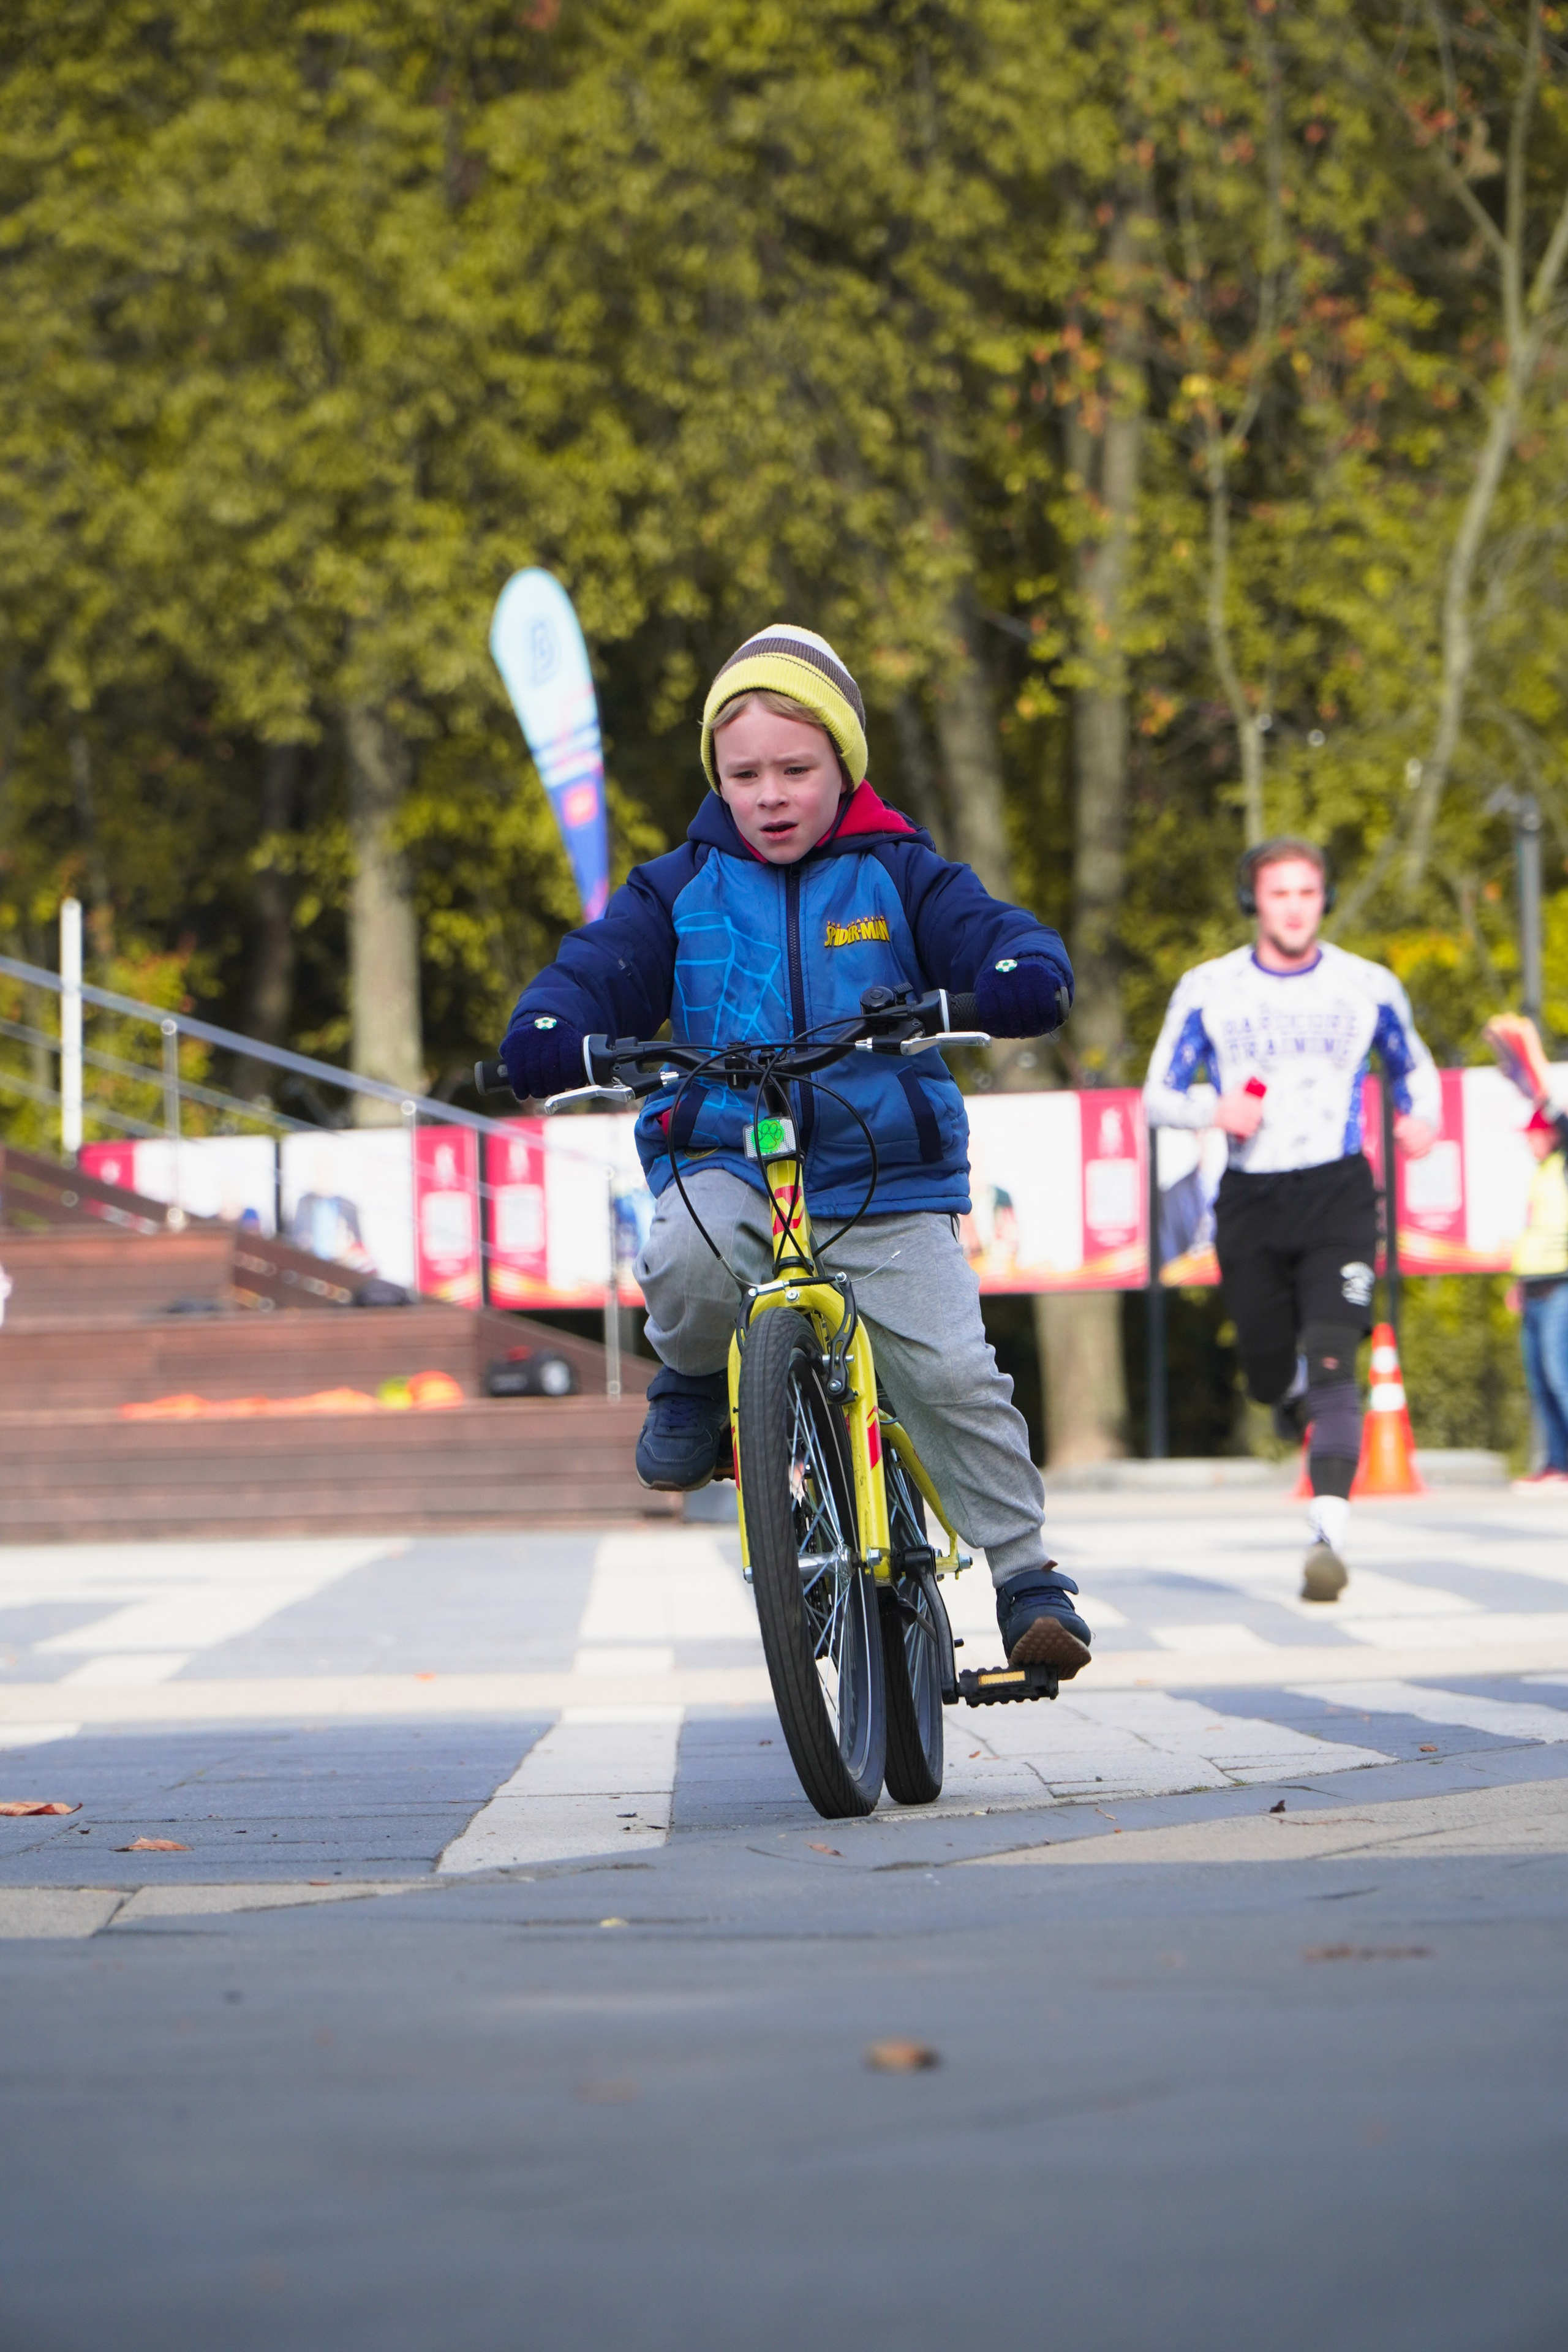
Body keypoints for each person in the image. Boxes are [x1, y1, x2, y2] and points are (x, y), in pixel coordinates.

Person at [499, 624, 1091, 1675]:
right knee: (687, 1254)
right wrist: (553, 1024)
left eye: (796, 769)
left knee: (952, 1370)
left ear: (845, 764)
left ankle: (1025, 1571)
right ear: (716, 779)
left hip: (884, 1176)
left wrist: (1013, 972)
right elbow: (594, 968)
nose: (770, 794)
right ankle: (689, 1377)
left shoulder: (899, 873)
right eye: (744, 774)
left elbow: (1003, 940)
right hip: (728, 1153)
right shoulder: (677, 888)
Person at [1143, 838, 1439, 1601]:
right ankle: (1295, 1396)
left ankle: (1327, 1537)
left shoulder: (1365, 985)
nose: (1294, 908)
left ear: (1324, 900)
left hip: (1338, 1191)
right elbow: (1158, 1096)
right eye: (1279, 893)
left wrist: (1420, 1117)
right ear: (1253, 903)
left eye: (1307, 892)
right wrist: (1216, 1108)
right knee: (1271, 1372)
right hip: (1251, 1198)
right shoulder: (1210, 989)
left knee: (1340, 1358)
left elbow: (1412, 1067)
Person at [1487, 1016, 1568, 1490]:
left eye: (1537, 1133)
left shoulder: (1564, 1164)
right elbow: (1535, 1232)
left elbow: (1552, 1104)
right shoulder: (1540, 1174)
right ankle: (1556, 1464)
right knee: (1541, 1383)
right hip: (1536, 1287)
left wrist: (1531, 1051)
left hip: (1562, 1287)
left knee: (1562, 1377)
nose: (1531, 1140)